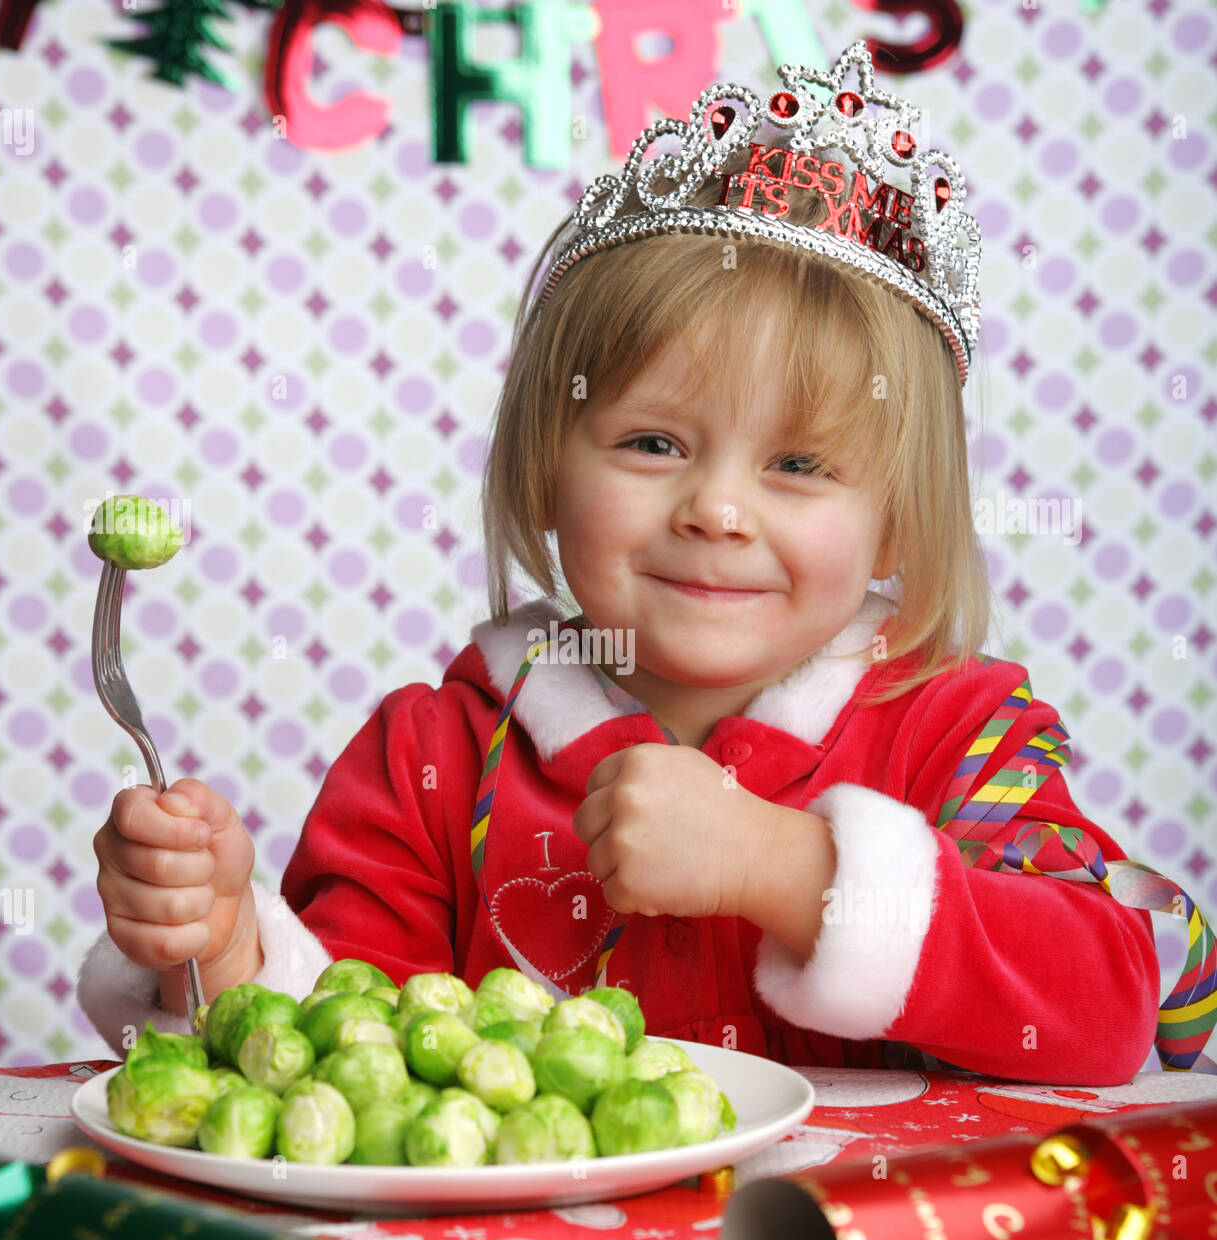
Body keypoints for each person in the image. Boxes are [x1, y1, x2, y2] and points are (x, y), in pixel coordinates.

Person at [78, 42, 1215, 1085]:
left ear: (897, 524)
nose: (717, 509)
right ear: (543, 467)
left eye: (801, 464)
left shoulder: (958, 736)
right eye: (652, 443)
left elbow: (1108, 1005)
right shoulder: (432, 760)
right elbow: (337, 1063)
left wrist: (787, 868)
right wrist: (222, 949)